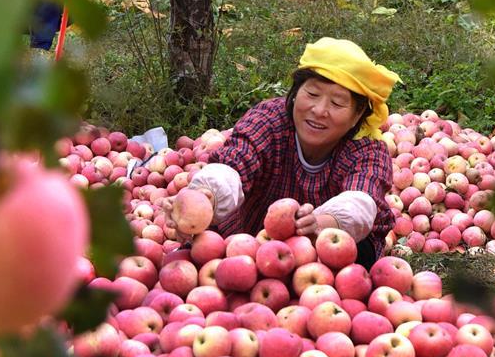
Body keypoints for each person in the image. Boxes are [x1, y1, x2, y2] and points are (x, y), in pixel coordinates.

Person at [167, 37, 401, 269]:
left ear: (357, 115)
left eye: (337, 103)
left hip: (320, 266)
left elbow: (361, 201)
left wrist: (319, 225)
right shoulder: (270, 120)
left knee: (357, 251)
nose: (319, 110)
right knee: (199, 252)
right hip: (246, 245)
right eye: (312, 94)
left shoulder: (367, 149)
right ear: (295, 92)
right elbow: (237, 160)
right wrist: (205, 196)